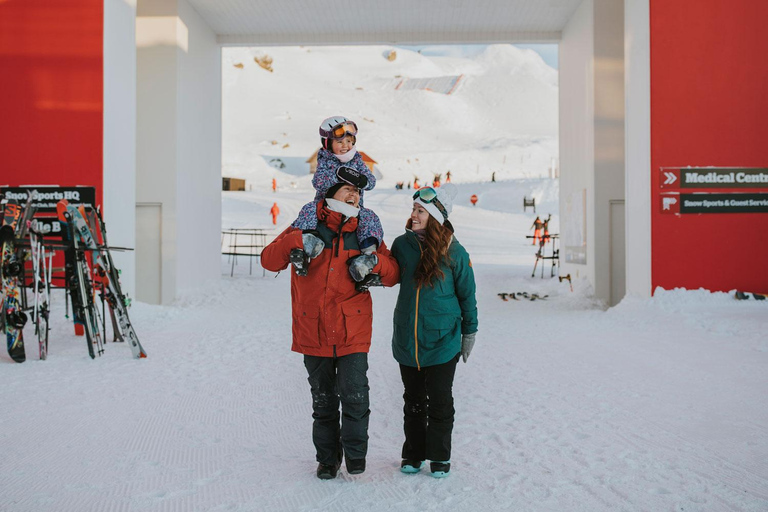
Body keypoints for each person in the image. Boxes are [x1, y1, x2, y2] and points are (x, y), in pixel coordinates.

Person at [261, 169, 400, 481]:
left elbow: (393, 274)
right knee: (323, 402)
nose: (354, 195)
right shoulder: (306, 225)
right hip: (314, 330)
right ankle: (327, 461)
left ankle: (355, 457)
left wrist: (374, 262)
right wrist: (298, 240)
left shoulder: (365, 231)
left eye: (357, 191)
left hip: (353, 331)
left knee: (355, 395)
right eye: (347, 189)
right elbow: (269, 259)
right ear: (330, 191)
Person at [389, 182, 478, 478]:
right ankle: (413, 454)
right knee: (412, 401)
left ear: (436, 217)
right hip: (409, 338)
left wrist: (469, 333)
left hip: (443, 340)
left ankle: (439, 456)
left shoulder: (456, 252)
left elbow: (467, 296)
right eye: (414, 209)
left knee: (440, 401)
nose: (413, 215)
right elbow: (388, 275)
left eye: (420, 211)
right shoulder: (402, 245)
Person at [293, 117, 383, 255]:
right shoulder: (325, 159)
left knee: (369, 217)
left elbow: (371, 182)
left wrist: (362, 181)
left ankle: (368, 249)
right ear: (328, 143)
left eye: (349, 141)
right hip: (327, 208)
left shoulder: (357, 160)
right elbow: (318, 182)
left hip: (353, 207)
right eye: (340, 142)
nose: (345, 145)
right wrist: (337, 175)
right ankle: (308, 240)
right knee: (309, 208)